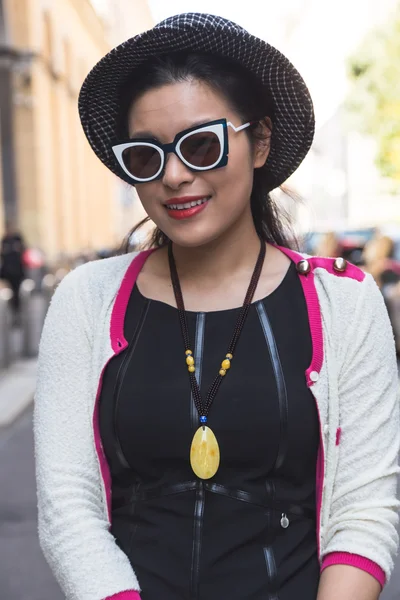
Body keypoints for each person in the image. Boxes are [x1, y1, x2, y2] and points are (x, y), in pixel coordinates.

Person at [34, 14, 399, 600]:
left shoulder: (346, 302)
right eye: (146, 157)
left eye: (201, 145)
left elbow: (365, 509)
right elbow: (66, 510)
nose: (175, 176)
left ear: (261, 143)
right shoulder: (84, 299)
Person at [0, 219, 26, 325]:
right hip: (7, 272)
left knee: (16, 293)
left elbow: (23, 250)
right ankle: (12, 312)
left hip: (17, 272)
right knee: (10, 293)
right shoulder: (4, 240)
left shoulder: (17, 238)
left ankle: (17, 313)